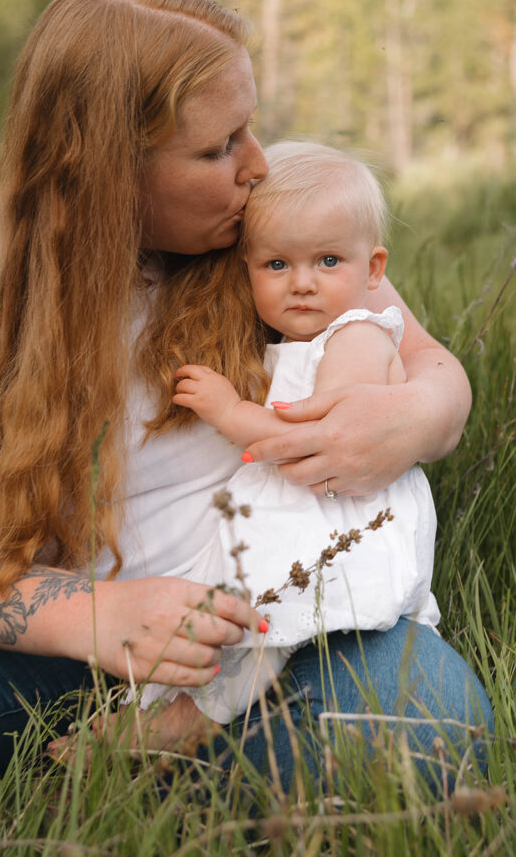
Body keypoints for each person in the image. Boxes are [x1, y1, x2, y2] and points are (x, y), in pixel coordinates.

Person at [0, 0, 491, 848]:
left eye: (250, 126)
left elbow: (425, 362)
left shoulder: (267, 232)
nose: (255, 163)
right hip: (19, 622)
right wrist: (93, 617)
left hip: (258, 632)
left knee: (427, 721)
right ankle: (140, 772)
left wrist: (416, 418)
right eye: (220, 147)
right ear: (107, 165)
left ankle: (140, 785)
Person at [126, 141, 441, 741]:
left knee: (271, 629)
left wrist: (229, 409)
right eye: (277, 266)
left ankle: (190, 723)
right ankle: (170, 712)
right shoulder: (309, 339)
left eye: (328, 262)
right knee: (249, 620)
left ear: (374, 270)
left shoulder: (359, 337)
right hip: (303, 513)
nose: (302, 284)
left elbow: (313, 438)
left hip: (336, 519)